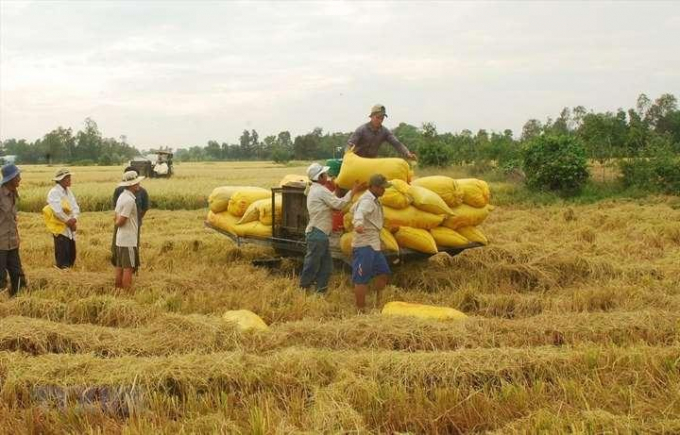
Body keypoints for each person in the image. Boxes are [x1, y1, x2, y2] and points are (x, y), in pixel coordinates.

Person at [300, 163, 364, 293]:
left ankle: (320, 292)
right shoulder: (320, 190)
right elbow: (338, 204)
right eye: (325, 174)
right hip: (318, 234)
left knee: (326, 266)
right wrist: (353, 191)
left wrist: (338, 190)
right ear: (320, 177)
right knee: (312, 264)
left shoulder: (315, 189)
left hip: (319, 234)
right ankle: (303, 288)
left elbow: (331, 201)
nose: (327, 177)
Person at [351, 174, 393, 312]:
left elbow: (353, 210)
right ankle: (360, 309)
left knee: (383, 273)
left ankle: (377, 302)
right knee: (361, 278)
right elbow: (359, 213)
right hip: (364, 245)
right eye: (382, 188)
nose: (384, 190)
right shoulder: (367, 201)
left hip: (373, 244)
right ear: (374, 187)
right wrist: (358, 224)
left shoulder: (374, 200)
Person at [347, 104, 417, 160]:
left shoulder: (385, 132)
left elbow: (397, 144)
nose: (380, 120)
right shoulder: (361, 129)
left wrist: (407, 154)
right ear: (371, 116)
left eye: (382, 118)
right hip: (357, 161)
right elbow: (350, 145)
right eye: (377, 117)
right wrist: (347, 155)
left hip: (371, 162)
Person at [112, 170, 144, 289]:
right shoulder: (129, 200)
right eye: (136, 183)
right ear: (131, 185)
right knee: (128, 268)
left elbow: (115, 215)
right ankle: (127, 294)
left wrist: (117, 222)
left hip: (120, 239)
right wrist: (118, 222)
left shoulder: (122, 196)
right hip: (128, 239)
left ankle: (118, 291)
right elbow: (120, 221)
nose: (138, 184)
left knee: (119, 266)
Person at [0, 164, 27, 297]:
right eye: (17, 176)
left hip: (12, 241)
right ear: (10, 179)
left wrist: (17, 236)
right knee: (0, 277)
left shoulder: (14, 194)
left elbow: (12, 218)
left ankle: (20, 299)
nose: (20, 179)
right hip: (0, 243)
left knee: (18, 274)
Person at [47, 168, 80, 268]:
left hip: (70, 228)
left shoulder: (68, 191)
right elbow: (57, 211)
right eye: (68, 177)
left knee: (71, 256)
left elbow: (75, 206)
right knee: (63, 258)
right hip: (60, 229)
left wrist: (74, 218)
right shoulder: (54, 192)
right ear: (61, 179)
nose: (70, 179)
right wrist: (69, 221)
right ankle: (63, 280)